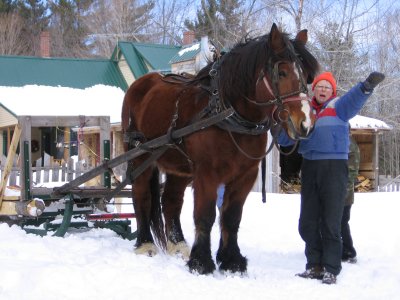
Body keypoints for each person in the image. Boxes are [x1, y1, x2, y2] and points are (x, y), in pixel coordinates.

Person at [278, 71, 385, 284]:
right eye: (319, 86)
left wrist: (366, 86)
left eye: (327, 87)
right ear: (313, 89)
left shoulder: (339, 108)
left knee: (331, 222)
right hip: (309, 166)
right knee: (307, 222)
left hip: (334, 167)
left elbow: (353, 99)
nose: (323, 90)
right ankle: (314, 265)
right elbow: (286, 139)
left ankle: (331, 268)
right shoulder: (305, 110)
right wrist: (279, 126)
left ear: (332, 91)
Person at [341, 133, 360, 263]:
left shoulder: (348, 144)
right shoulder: (348, 141)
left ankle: (348, 251)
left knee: (341, 222)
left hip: (344, 192)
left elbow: (351, 172)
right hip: (344, 191)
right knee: (341, 222)